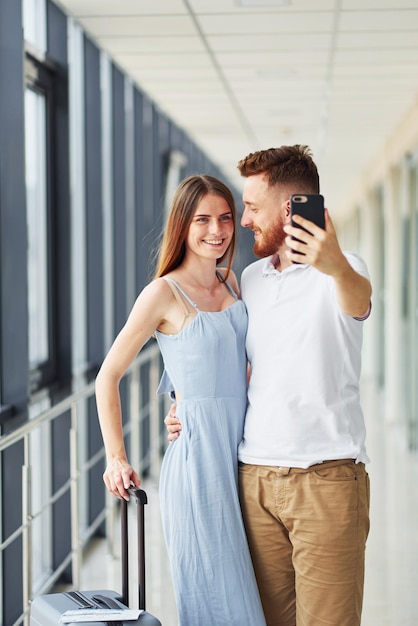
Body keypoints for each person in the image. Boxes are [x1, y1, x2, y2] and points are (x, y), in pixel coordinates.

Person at [166, 145, 372, 626]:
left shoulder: (347, 271)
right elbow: (223, 357)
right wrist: (182, 404)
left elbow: (358, 300)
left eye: (252, 208)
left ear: (288, 210)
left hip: (326, 479)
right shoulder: (249, 280)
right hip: (254, 479)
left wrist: (334, 262)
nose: (243, 221)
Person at [95, 174, 266, 626]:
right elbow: (107, 376)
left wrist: (181, 396)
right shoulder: (162, 293)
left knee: (253, 600)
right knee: (218, 604)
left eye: (226, 218)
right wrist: (116, 458)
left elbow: (237, 363)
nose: (217, 230)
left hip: (248, 459)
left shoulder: (234, 283)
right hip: (198, 468)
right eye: (203, 219)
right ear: (182, 226)